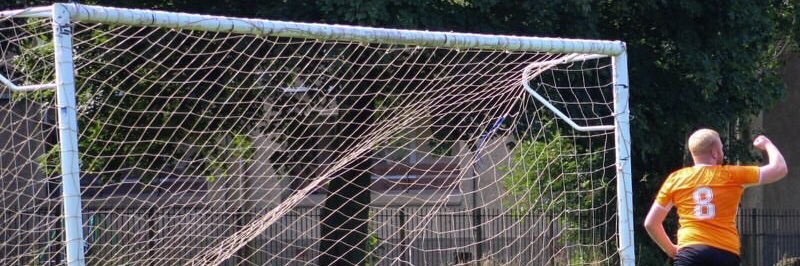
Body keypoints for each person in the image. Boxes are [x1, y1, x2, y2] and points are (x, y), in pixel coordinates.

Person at [644, 129, 788, 265]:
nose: (722, 152)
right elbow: (779, 168)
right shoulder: (731, 175)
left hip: (690, 251)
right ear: (714, 152)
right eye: (721, 148)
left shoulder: (675, 179)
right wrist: (767, 144)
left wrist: (672, 250)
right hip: (725, 252)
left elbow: (651, 223)